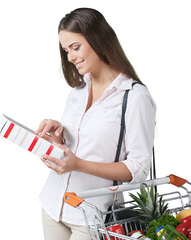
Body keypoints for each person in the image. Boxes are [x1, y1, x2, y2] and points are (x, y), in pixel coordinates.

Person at [35, 7, 156, 240]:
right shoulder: (78, 91)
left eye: (75, 47)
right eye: (66, 50)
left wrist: (78, 164)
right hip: (53, 205)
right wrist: (58, 141)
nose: (70, 57)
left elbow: (138, 169)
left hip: (92, 216)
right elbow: (77, 147)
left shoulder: (134, 96)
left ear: (98, 40)